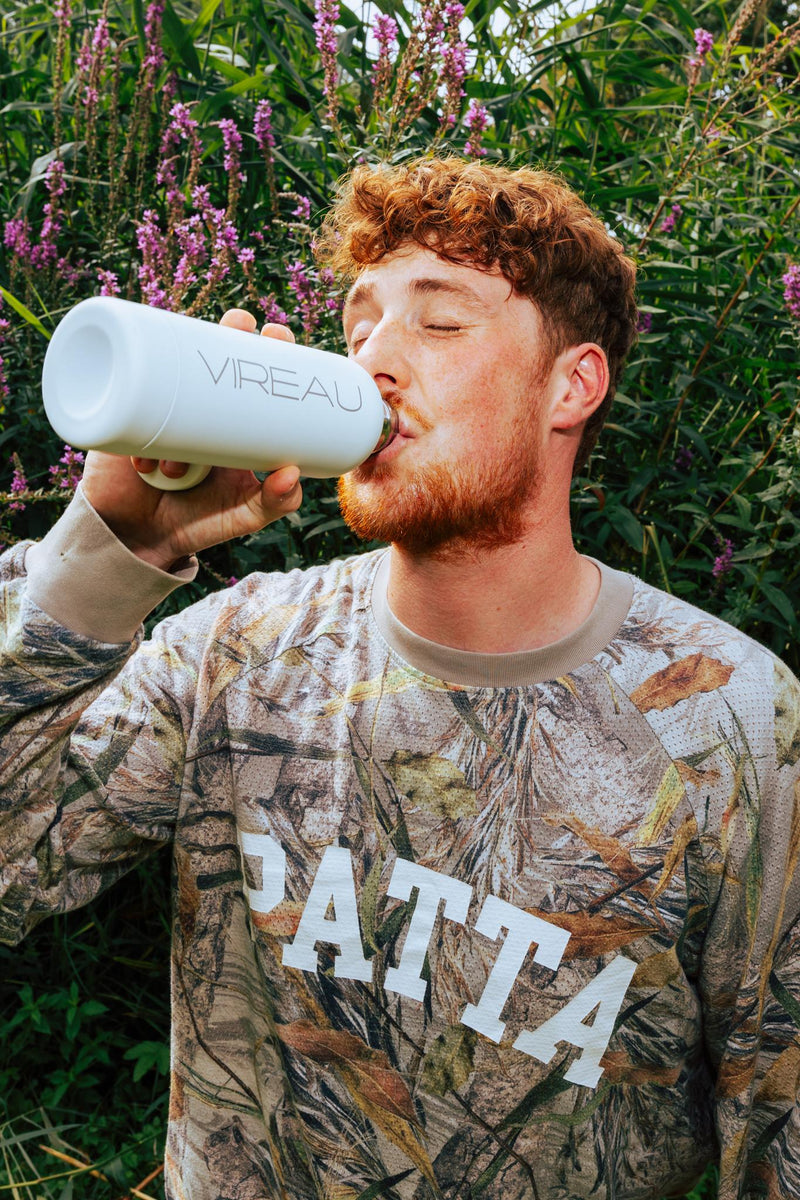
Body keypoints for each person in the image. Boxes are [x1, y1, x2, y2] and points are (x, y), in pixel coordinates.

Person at [1, 156, 799, 1200]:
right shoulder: (237, 652)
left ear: (571, 384)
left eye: (438, 321)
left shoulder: (730, 718)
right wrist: (108, 556)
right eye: (358, 322)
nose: (373, 358)